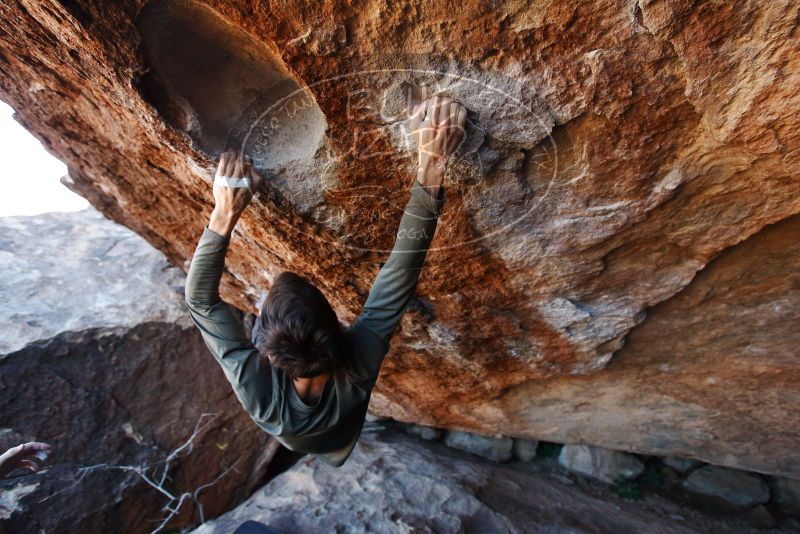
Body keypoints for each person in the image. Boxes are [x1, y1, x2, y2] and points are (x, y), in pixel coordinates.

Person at [185, 96, 466, 466]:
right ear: (339, 328)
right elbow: (400, 270)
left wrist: (224, 213)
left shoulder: (259, 397)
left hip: (304, 436)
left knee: (306, 438)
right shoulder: (358, 364)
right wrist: (432, 162)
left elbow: (199, 302)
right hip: (336, 430)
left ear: (268, 357)